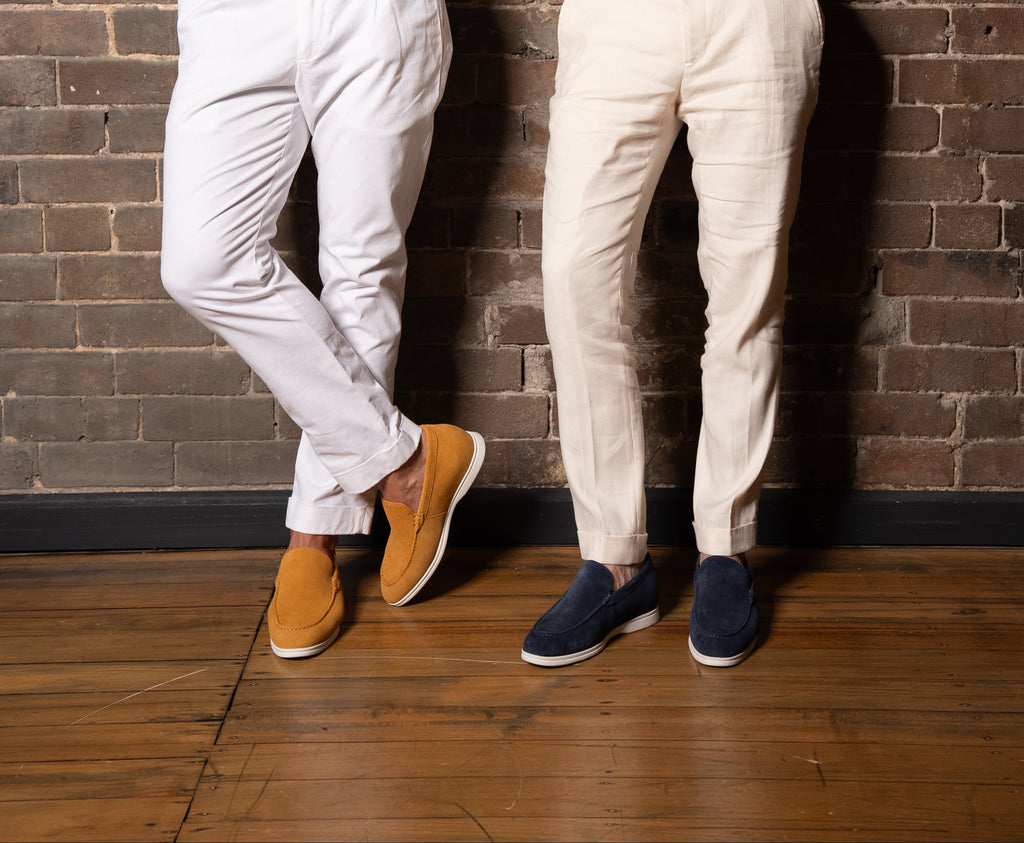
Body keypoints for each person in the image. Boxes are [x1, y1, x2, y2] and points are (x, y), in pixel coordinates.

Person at [160, 0, 484, 659]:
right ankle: (407, 462)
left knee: (363, 271)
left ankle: (314, 537)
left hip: (375, 16)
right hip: (237, 17)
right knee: (202, 262)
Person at [521, 0, 823, 668]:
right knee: (575, 278)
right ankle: (615, 560)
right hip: (618, 22)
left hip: (755, 22)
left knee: (746, 295)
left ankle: (725, 547)